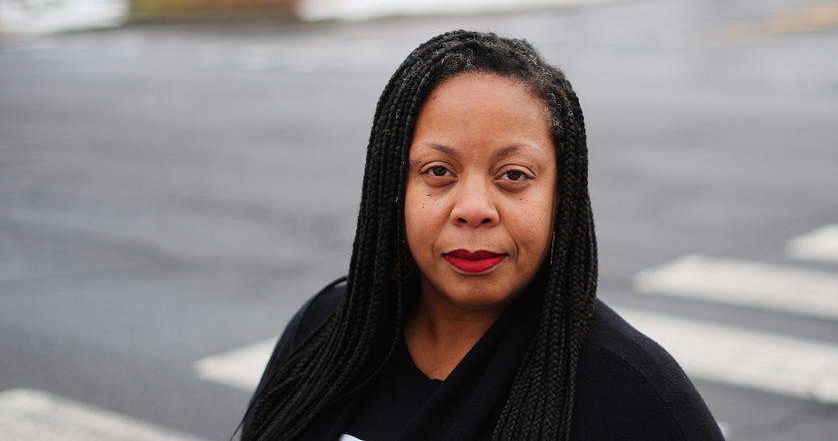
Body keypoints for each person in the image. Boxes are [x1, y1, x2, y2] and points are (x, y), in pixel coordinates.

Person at [241, 30, 724, 441]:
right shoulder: (325, 335)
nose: (474, 210)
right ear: (394, 187)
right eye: (438, 171)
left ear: (562, 196)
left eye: (513, 175)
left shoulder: (635, 396)